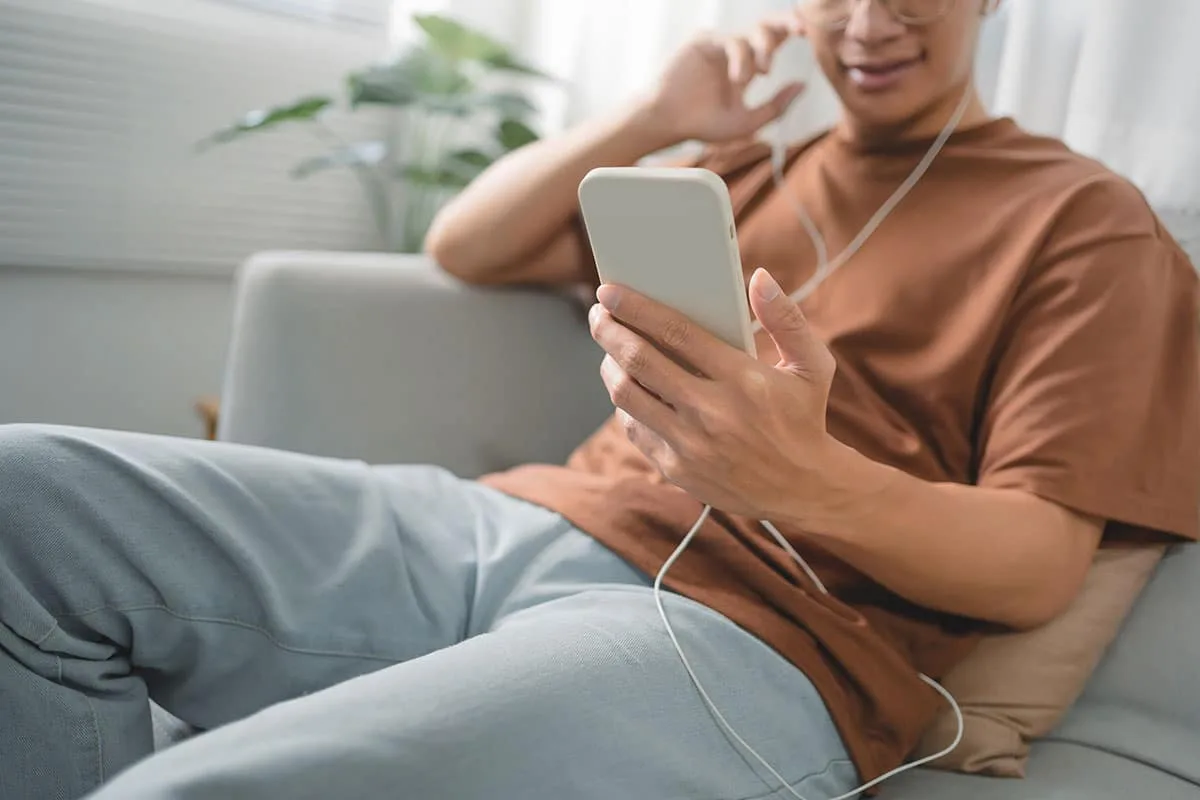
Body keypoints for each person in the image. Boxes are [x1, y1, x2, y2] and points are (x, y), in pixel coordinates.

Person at [2, 1, 1197, 798]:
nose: (871, 22)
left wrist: (799, 478)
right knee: (25, 497)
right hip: (511, 521)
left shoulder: (1083, 218)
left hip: (758, 634)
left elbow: (1038, 564)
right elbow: (467, 245)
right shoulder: (748, 165)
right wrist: (656, 118)